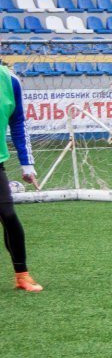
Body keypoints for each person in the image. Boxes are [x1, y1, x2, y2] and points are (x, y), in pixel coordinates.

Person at [0, 63, 42, 292]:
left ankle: (22, 275)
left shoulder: (10, 80)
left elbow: (17, 122)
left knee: (7, 214)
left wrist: (27, 165)